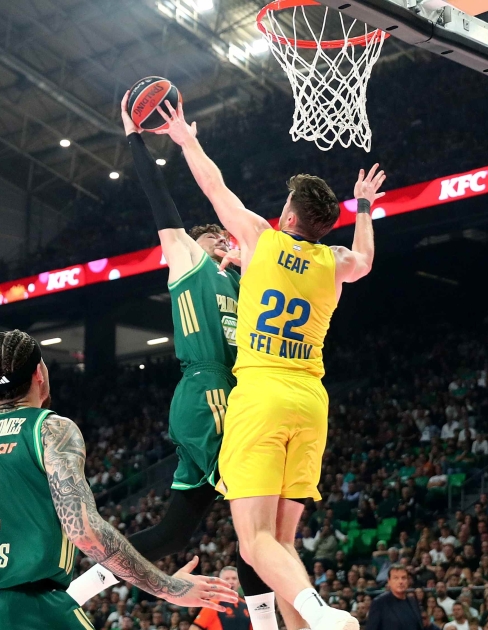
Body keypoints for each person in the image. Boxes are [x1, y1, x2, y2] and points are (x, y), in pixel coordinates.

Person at [156, 100, 383, 630]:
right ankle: (311, 623)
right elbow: (366, 260)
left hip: (261, 397)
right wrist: (364, 207)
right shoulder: (336, 261)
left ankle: (319, 612)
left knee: (254, 543)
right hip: (311, 402)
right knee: (281, 544)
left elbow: (214, 187)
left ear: (289, 217)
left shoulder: (261, 238)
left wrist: (187, 139)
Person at [69, 90, 277, 628]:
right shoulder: (187, 260)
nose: (225, 240)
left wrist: (247, 264)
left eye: (228, 239)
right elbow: (162, 201)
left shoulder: (244, 284)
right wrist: (135, 139)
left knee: (173, 534)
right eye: (216, 237)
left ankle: (76, 591)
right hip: (208, 393)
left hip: (230, 396)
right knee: (255, 523)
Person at [0, 330, 238, 630]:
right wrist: (169, 587)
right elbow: (82, 530)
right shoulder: (49, 428)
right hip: (19, 611)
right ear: (39, 373)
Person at [365, 566, 421, 630]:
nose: (400, 582)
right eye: (396, 578)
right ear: (389, 581)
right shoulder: (379, 603)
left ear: (408, 581)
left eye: (403, 578)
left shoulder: (413, 601)